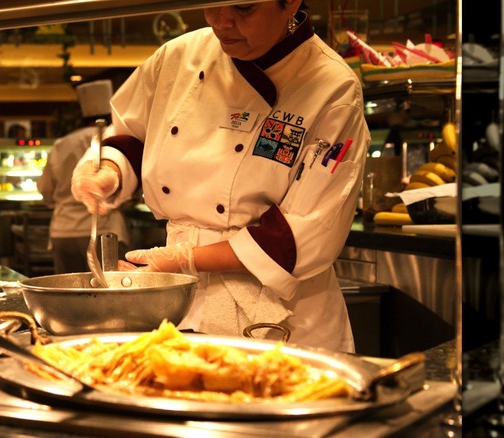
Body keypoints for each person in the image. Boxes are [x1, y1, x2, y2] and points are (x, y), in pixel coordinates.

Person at [70, 1, 370, 353]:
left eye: (243, 9)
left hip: (280, 316)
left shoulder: (331, 86)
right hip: (179, 297)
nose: (221, 22)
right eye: (210, 5)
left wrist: (186, 259)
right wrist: (109, 171)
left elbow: (308, 231)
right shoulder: (179, 56)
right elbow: (132, 135)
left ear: (290, 3)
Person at [38, 80, 131, 274]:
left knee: (67, 295)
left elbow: (45, 189)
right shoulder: (117, 139)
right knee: (109, 294)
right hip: (105, 230)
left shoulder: (61, 144)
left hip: (64, 231)